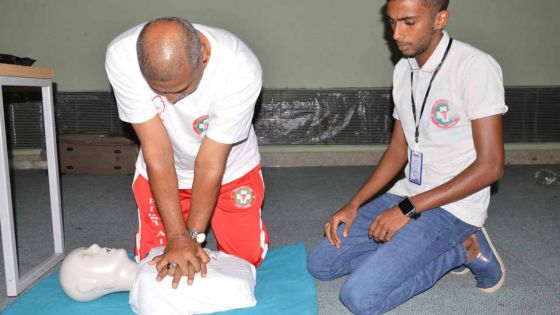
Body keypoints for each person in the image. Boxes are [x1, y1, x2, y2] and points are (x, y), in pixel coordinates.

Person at [307, 0, 507, 313]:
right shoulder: (404, 70)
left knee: (360, 298)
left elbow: (491, 167)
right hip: (408, 194)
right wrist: (354, 203)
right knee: (321, 263)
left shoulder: (475, 67)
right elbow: (399, 149)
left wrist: (407, 209)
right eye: (392, 22)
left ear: (440, 18)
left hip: (452, 207)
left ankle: (464, 248)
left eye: (408, 22)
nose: (396, 34)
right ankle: (411, 250)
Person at [105, 16, 269, 288]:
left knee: (244, 260)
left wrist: (189, 239)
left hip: (230, 171)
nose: (171, 101)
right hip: (164, 170)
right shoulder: (121, 56)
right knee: (154, 261)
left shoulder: (241, 68)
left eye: (182, 89)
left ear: (203, 55)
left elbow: (210, 164)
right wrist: (176, 239)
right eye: (161, 92)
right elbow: (157, 151)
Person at [59, 244, 257, 314]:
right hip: (240, 282)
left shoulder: (155, 253)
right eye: (87, 254)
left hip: (239, 270)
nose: (94, 246)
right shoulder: (148, 292)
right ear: (88, 285)